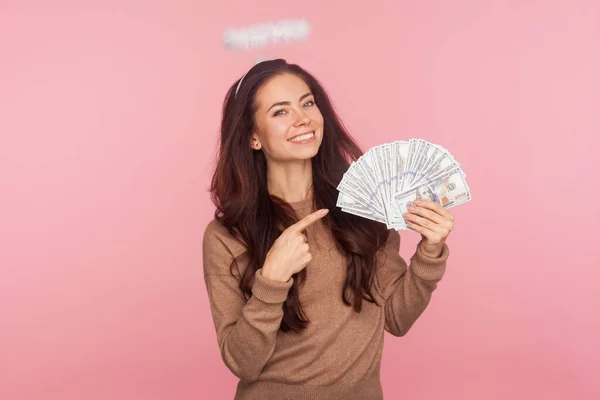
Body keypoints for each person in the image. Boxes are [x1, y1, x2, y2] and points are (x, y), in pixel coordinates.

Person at [203, 59, 455, 399]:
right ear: (253, 137)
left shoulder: (363, 207)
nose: (303, 118)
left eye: (308, 103)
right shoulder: (225, 236)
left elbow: (396, 317)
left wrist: (430, 251)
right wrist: (271, 282)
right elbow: (242, 362)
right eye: (280, 112)